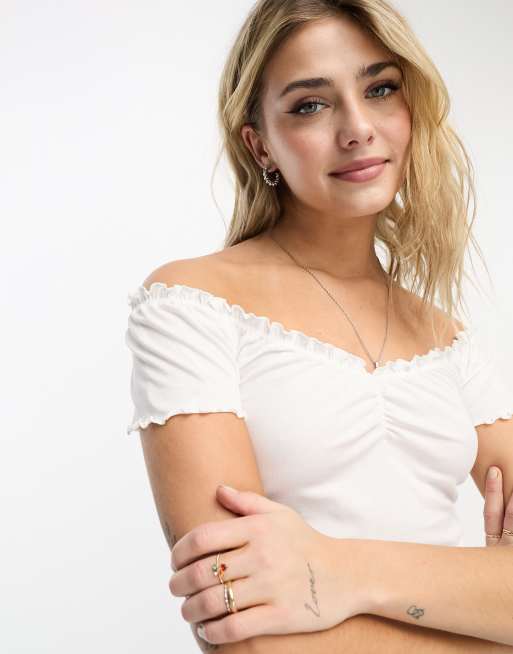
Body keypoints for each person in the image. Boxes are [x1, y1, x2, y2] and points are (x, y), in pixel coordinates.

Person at [125, 1, 513, 651]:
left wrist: (335, 570)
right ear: (259, 145)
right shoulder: (190, 305)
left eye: (380, 89)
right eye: (310, 105)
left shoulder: (448, 340)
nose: (358, 128)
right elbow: (244, 632)